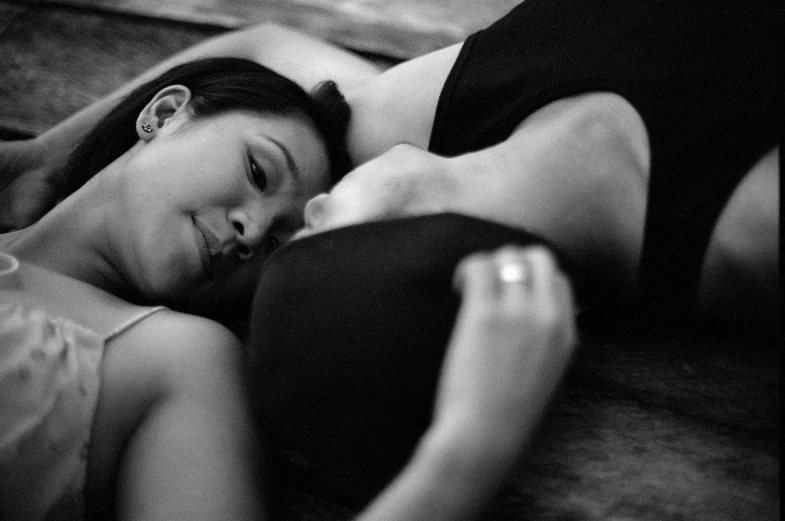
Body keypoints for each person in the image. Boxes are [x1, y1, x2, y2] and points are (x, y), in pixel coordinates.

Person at [0, 55, 578, 520]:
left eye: (279, 240)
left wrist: (469, 446)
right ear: (168, 112)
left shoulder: (176, 363)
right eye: (258, 171)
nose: (251, 231)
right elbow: (269, 44)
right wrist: (44, 159)